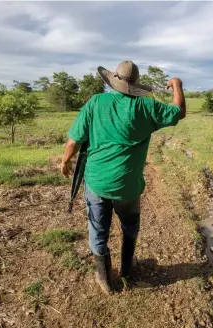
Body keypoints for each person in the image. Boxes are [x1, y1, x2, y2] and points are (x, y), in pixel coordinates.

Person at [61, 61, 186, 294]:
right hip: (128, 185)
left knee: (98, 230)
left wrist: (65, 160)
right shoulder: (146, 107)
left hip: (97, 182)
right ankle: (127, 271)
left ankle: (106, 282)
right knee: (129, 225)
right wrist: (177, 85)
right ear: (136, 85)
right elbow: (179, 112)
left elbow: (74, 141)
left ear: (113, 80)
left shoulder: (96, 102)